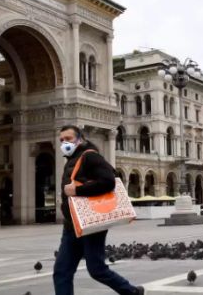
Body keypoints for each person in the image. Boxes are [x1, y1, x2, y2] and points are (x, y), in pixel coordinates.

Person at [53, 125, 144, 295]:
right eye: (62, 140)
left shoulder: (91, 157)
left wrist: (78, 190)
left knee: (96, 270)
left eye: (69, 139)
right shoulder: (71, 160)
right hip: (71, 226)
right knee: (61, 271)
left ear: (81, 139)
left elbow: (109, 181)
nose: (65, 143)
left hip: (91, 224)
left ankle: (131, 292)